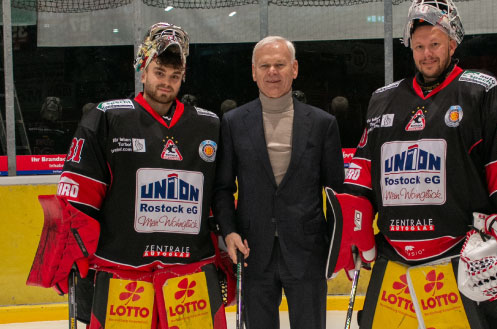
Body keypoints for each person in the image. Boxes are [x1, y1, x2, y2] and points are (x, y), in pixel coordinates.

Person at [327, 1, 497, 328]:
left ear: (453, 44)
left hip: (463, 253)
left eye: (435, 44)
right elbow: (363, 170)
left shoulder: (479, 91)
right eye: (419, 46)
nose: (427, 53)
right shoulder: (383, 99)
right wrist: (354, 222)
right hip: (394, 255)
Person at [27, 22, 231, 329]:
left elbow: (220, 195)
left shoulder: (209, 126)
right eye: (159, 72)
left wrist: (225, 253)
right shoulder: (108, 118)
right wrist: (68, 257)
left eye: (175, 76)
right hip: (122, 272)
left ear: (183, 77)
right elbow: (77, 200)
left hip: (190, 274)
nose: (166, 83)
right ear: (143, 69)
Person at [213, 36, 345, 329]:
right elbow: (222, 188)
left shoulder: (323, 124)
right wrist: (230, 231)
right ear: (253, 72)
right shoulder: (233, 122)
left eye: (280, 64)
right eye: (265, 65)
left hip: (308, 252)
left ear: (294, 69)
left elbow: (338, 192)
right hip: (252, 251)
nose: (272, 71)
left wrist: (339, 248)